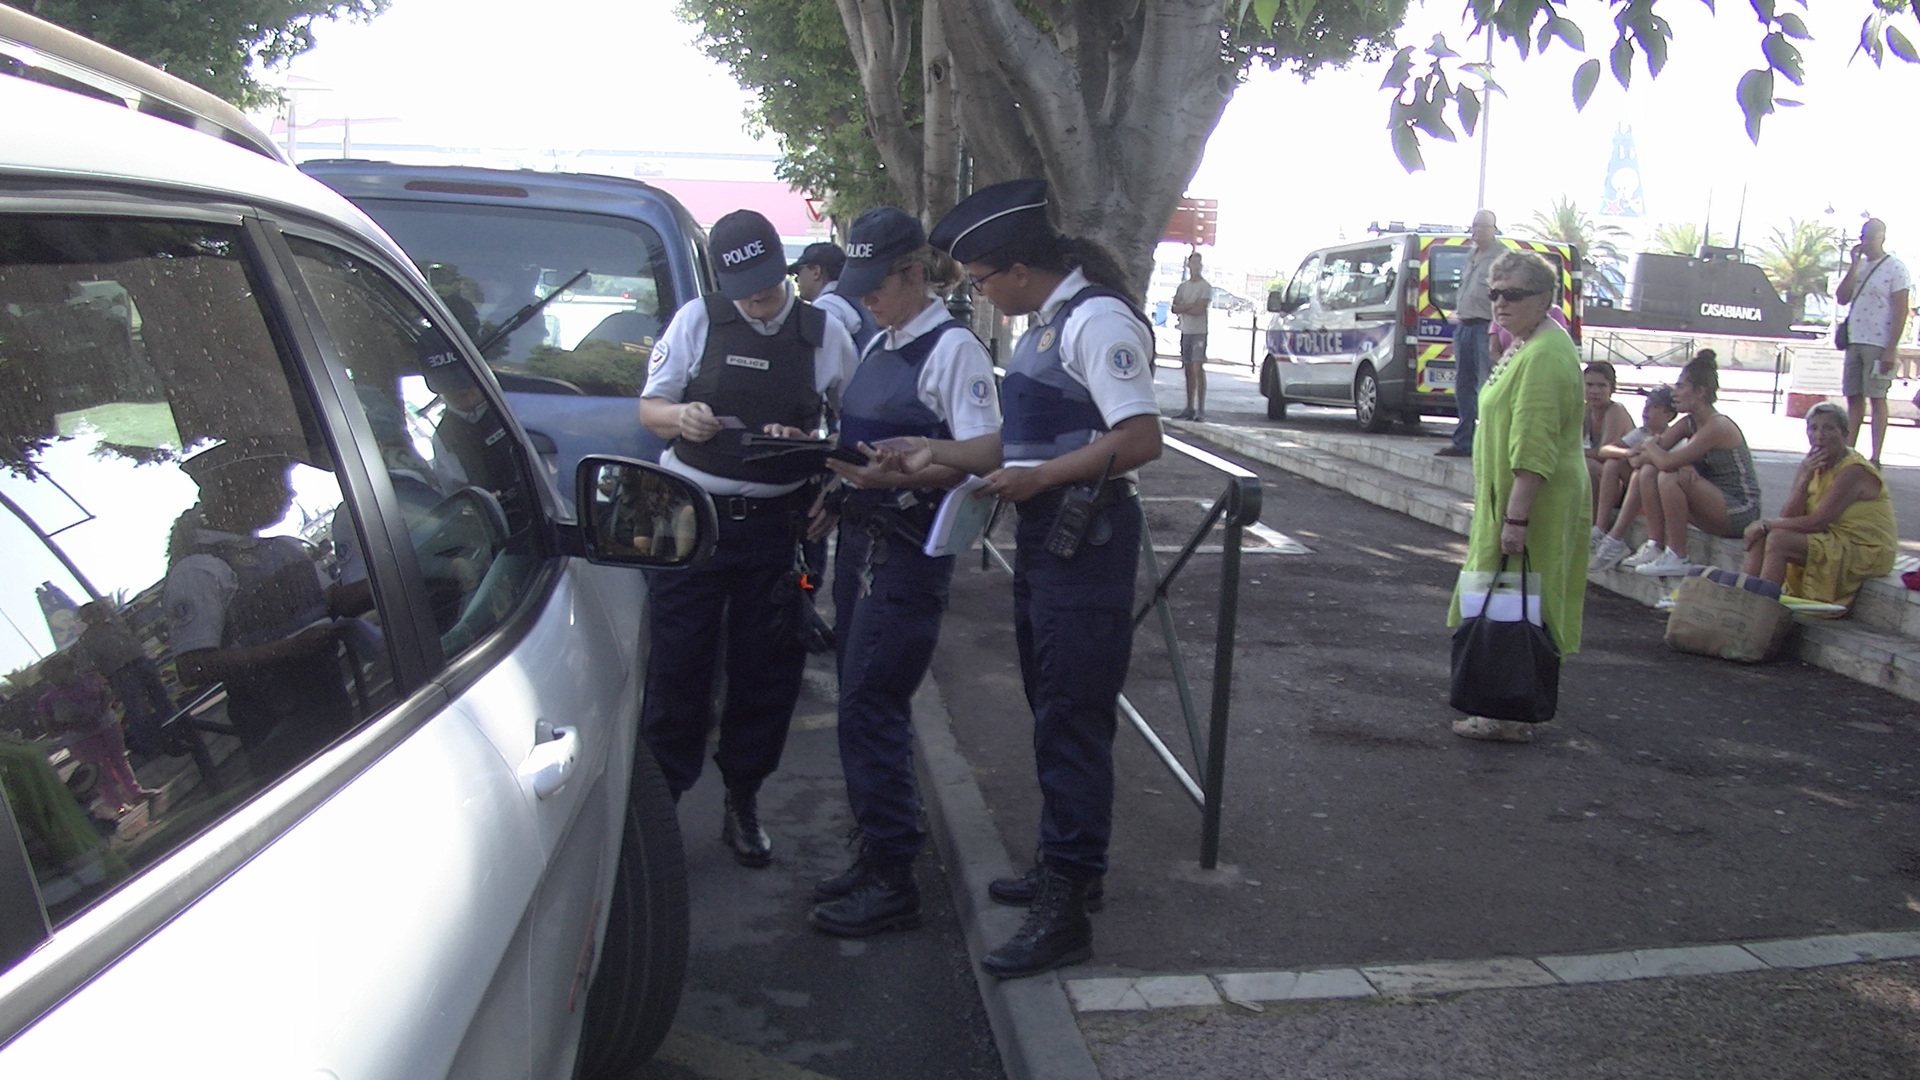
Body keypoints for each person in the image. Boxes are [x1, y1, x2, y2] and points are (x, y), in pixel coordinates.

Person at [877, 179, 1160, 978]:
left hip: (1084, 534)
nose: (980, 296)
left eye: (979, 281)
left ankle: (1066, 907)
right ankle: (1069, 867)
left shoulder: (1096, 321)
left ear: (1018, 270)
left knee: (1071, 715)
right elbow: (1018, 443)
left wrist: (1041, 481)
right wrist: (931, 454)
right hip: (1052, 536)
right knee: (1053, 705)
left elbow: (1140, 439)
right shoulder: (1048, 326)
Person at [801, 207, 1002, 938]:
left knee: (871, 706)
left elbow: (984, 458)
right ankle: (876, 849)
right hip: (864, 541)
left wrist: (917, 464)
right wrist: (835, 479)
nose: (864, 300)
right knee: (859, 702)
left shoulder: (953, 352)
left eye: (876, 286)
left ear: (914, 274)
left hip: (909, 549)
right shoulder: (885, 341)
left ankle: (893, 877)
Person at [638, 208, 859, 867]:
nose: (758, 301)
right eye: (746, 291)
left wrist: (822, 465)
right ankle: (663, 811)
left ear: (786, 271)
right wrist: (683, 416)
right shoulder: (698, 321)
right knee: (678, 668)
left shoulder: (825, 334)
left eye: (767, 286)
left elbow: (850, 434)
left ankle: (744, 797)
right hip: (688, 518)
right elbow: (651, 410)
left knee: (767, 671)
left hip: (776, 528)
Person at [1446, 251, 1588, 743]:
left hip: (1533, 504)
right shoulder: (1527, 343)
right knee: (1505, 601)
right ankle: (1502, 708)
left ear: (1545, 299)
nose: (1500, 303)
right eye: (1494, 293)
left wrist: (1516, 519)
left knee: (1515, 607)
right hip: (1509, 500)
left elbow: (1533, 444)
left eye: (1512, 294)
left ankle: (1508, 711)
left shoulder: (1547, 354)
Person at [163, 445, 361, 778]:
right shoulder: (199, 571)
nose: (291, 492)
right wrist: (288, 650)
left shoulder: (286, 548)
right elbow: (192, 666)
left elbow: (335, 600)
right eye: (279, 483)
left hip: (333, 709)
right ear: (242, 493)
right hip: (278, 732)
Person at [1741, 401, 1897, 610]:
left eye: (1828, 428)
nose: (1819, 435)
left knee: (1777, 538)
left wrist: (1765, 524)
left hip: (1864, 548)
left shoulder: (1853, 470)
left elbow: (1818, 522)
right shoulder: (1811, 464)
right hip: (1830, 537)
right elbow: (1789, 516)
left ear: (1845, 433)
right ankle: (1741, 602)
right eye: (1813, 428)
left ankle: (1762, 611)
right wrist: (1804, 480)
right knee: (1761, 536)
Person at [1627, 351, 1764, 578]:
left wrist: (1651, 446)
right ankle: (1655, 545)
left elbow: (1664, 460)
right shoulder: (1688, 422)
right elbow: (1636, 460)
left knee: (1668, 476)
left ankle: (1678, 555)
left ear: (1700, 392)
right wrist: (1667, 457)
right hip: (1711, 505)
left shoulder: (1718, 425)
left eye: (1681, 387)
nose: (1674, 393)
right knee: (1649, 472)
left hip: (1740, 511)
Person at [35, 651, 158, 815]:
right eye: (49, 676)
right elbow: (49, 727)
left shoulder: (91, 678)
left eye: (56, 672)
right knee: (99, 771)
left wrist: (97, 713)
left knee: (120, 759)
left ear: (69, 668)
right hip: (79, 738)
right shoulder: (47, 700)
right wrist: (74, 725)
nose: (54, 678)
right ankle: (118, 805)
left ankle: (135, 792)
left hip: (107, 725)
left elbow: (107, 695)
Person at [1834, 218, 1909, 466]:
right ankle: (1849, 450)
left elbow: (1901, 310)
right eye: (1863, 236)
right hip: (1855, 339)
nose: (1865, 242)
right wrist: (1853, 266)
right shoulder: (1861, 268)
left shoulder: (1895, 268)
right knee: (1854, 395)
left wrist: (1891, 348)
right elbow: (1842, 298)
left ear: (1882, 238)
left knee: (1877, 397)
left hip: (1879, 342)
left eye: (1870, 237)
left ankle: (1876, 455)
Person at [1589, 385, 1678, 570]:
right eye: (1646, 405)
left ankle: (1616, 537)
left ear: (1668, 414)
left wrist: (1637, 455)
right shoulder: (1642, 433)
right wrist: (1629, 451)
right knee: (1613, 463)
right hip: (1638, 488)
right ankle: (1600, 528)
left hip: (1659, 494)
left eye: (1653, 407)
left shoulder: (1672, 437)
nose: (1646, 411)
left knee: (1640, 472)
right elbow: (1606, 450)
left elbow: (1642, 463)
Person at [74, 600, 174, 757]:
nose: (98, 614)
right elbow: (86, 667)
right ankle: (152, 746)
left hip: (140, 662)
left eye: (98, 610)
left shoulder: (116, 623)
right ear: (86, 619)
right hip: (120, 673)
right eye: (92, 613)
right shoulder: (86, 640)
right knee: (137, 710)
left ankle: (177, 729)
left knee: (161, 697)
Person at [1439, 209, 1501, 458]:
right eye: (1474, 226)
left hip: (1486, 327)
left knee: (1486, 385)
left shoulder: (1501, 256)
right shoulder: (1471, 255)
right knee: (1463, 385)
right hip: (1464, 324)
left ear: (1493, 229)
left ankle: (1487, 443)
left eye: (1482, 227)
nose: (1476, 231)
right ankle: (1463, 441)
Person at [789, 240, 879, 351]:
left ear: (816, 272)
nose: (797, 279)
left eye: (799, 272)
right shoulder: (853, 298)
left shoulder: (825, 306)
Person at [1581, 361, 1636, 524]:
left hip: (1625, 482)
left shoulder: (1615, 411)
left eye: (1601, 386)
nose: (1594, 391)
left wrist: (1575, 453)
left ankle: (1595, 526)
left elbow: (1604, 452)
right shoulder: (1586, 410)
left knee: (1590, 466)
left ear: (1612, 389)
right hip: (1607, 478)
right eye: (1589, 385)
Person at [1168, 252, 1211, 420]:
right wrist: (1189, 306)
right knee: (1187, 369)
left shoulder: (1205, 286)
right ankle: (1189, 406)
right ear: (1188, 265)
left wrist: (1185, 307)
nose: (1195, 266)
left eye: (1198, 263)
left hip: (1199, 331)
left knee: (1197, 368)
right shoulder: (1183, 287)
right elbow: (1174, 307)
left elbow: (1199, 309)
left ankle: (1200, 408)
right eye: (1192, 262)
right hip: (1186, 331)